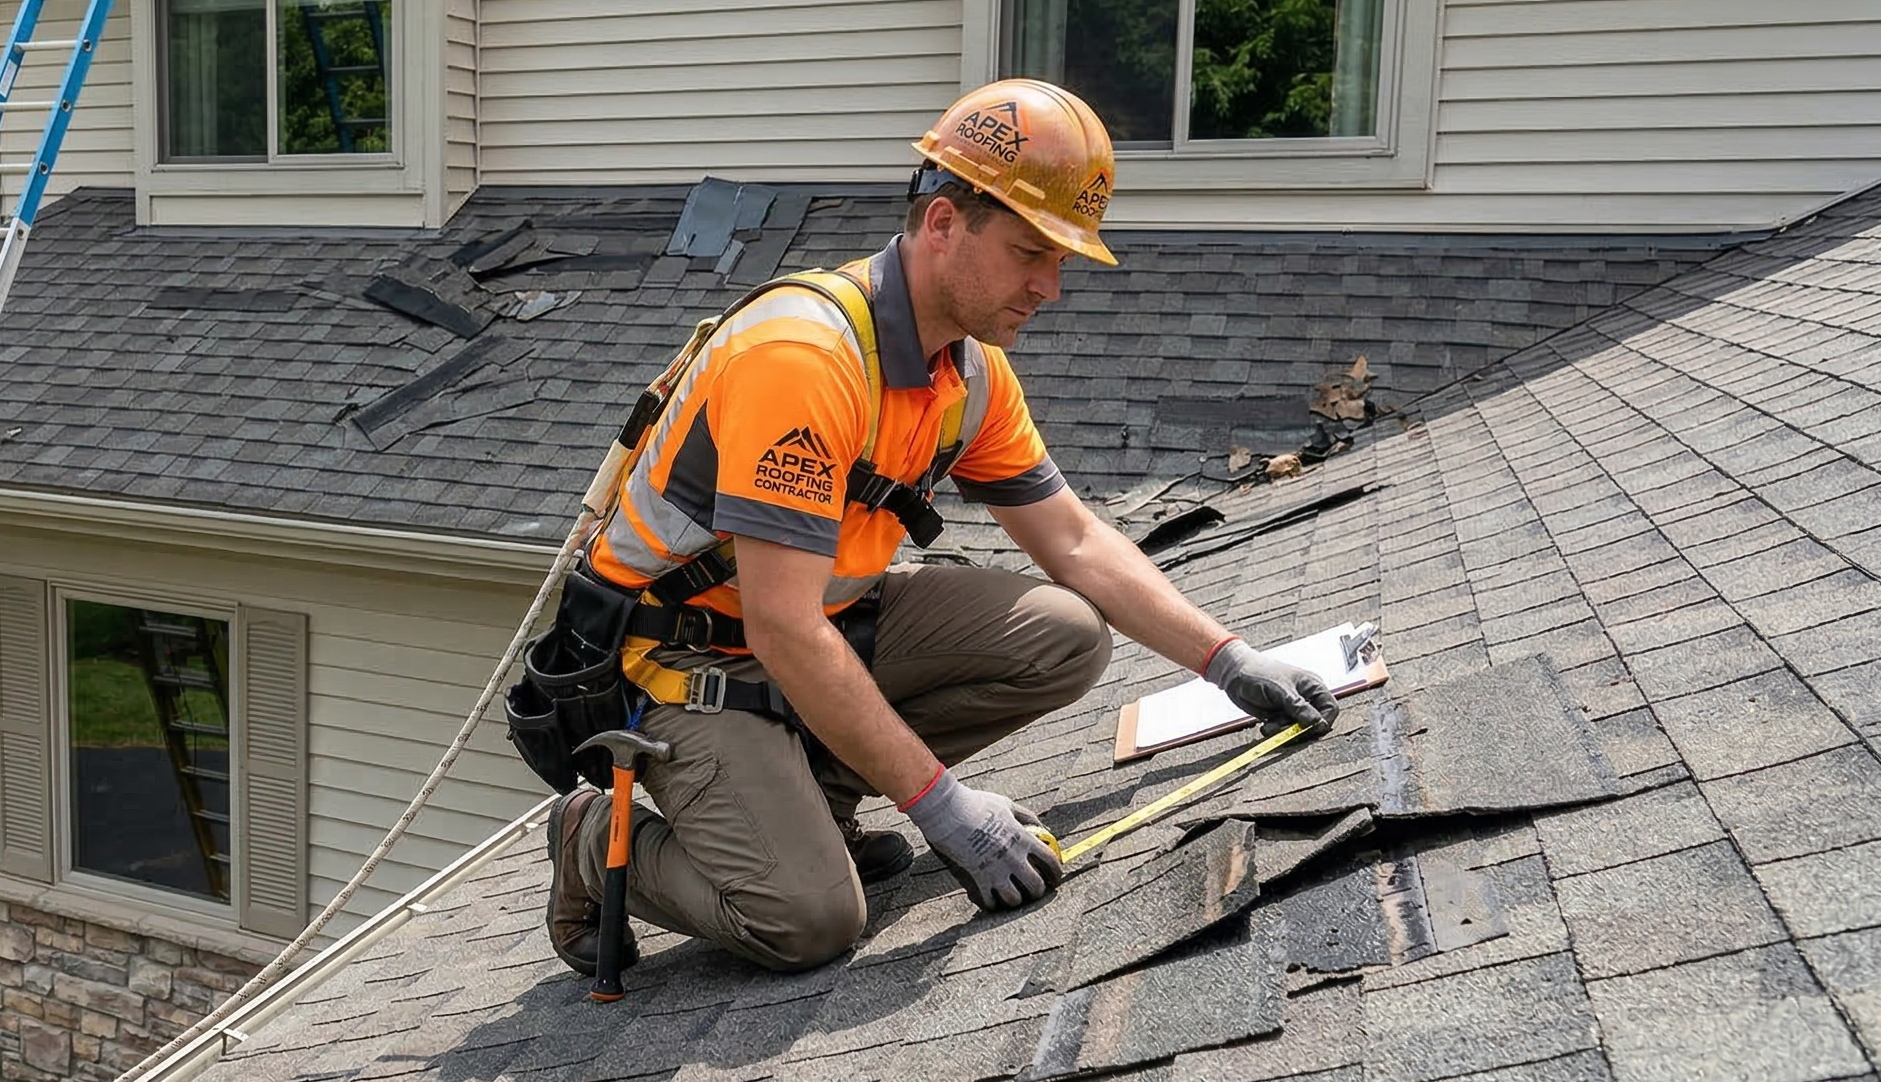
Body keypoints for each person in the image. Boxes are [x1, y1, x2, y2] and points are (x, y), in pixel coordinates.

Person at [546, 78, 1338, 976]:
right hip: (686, 661)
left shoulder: (970, 373)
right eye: (1030, 253)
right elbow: (782, 625)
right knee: (809, 919)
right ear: (942, 226)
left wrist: (1230, 660)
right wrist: (943, 807)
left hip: (816, 627)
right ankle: (591, 837)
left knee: (1064, 636)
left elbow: (1074, 541)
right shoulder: (803, 360)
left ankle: (813, 800)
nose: (1050, 286)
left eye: (1062, 259)